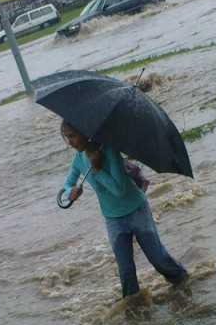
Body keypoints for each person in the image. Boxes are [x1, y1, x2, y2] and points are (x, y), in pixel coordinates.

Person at [60, 120, 188, 299]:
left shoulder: (110, 151)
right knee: (126, 270)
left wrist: (97, 169)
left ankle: (184, 281)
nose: (70, 142)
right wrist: (69, 193)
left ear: (85, 132)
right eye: (67, 138)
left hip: (137, 210)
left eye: (72, 136)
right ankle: (133, 310)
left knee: (158, 260)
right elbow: (67, 184)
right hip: (113, 219)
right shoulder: (79, 159)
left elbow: (118, 189)